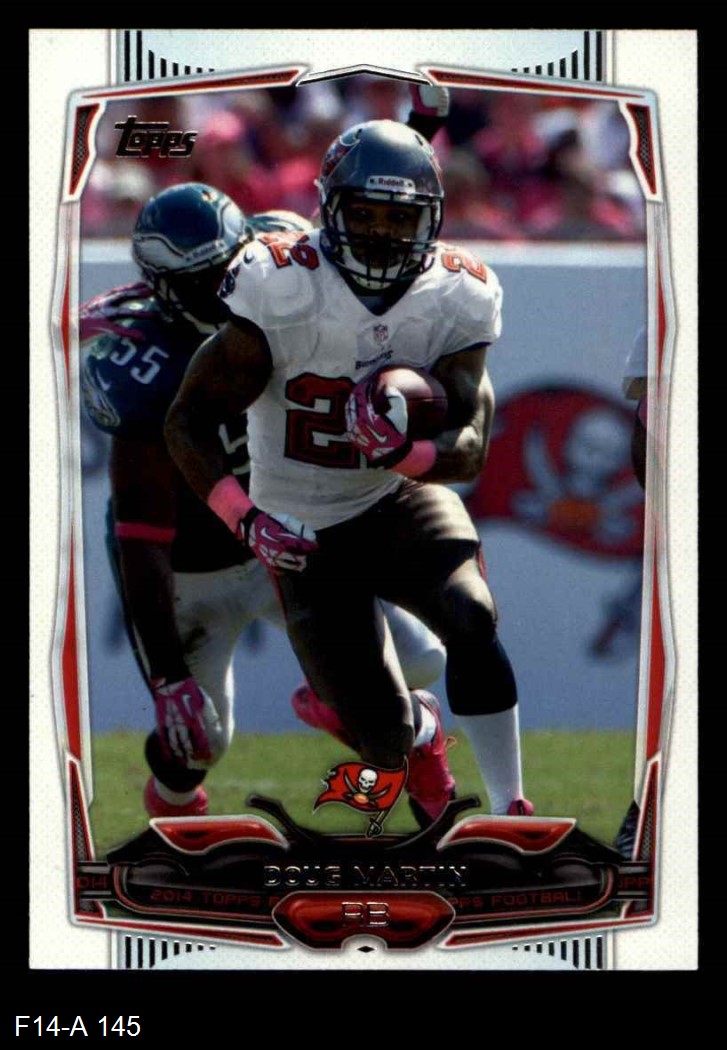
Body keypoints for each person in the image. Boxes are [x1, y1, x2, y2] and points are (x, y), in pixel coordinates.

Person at [80, 85, 455, 825]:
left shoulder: (281, 275)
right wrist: (168, 679)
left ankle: (347, 703)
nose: (229, 290)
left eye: (233, 267)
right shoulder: (145, 368)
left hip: (289, 539)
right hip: (192, 568)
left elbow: (362, 218)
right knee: (196, 740)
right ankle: (179, 810)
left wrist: (420, 129)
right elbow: (141, 535)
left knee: (421, 660)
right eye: (205, 283)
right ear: (168, 290)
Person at [165, 117, 533, 819]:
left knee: (471, 614)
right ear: (329, 209)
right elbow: (187, 418)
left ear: (431, 219)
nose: (381, 233)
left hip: (396, 498)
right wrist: (246, 519)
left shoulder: (459, 291)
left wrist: (403, 452)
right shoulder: (277, 282)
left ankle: (511, 807)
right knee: (382, 739)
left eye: (400, 218)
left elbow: (470, 444)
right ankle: (420, 733)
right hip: (302, 528)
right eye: (364, 213)